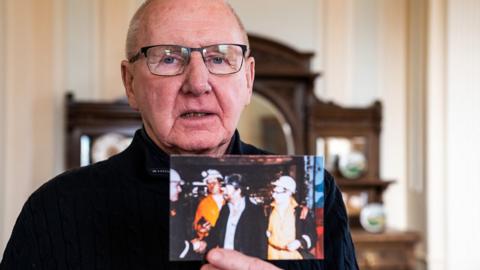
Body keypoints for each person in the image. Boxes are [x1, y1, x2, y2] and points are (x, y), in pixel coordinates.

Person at [0, 0, 358, 269]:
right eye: (169, 58)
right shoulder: (55, 209)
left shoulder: (316, 197)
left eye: (219, 58)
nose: (198, 83)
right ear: (130, 83)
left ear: (247, 80)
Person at [204, 174, 267, 258]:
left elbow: (261, 242)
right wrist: (204, 244)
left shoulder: (255, 211)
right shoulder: (225, 209)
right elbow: (216, 233)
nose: (224, 191)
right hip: (225, 259)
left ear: (238, 190)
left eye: (227, 188)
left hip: (244, 262)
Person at [266, 176, 316, 260]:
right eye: (273, 192)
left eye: (278, 192)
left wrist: (300, 242)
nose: (274, 195)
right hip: (271, 254)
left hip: (292, 256)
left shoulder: (301, 212)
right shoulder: (267, 210)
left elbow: (312, 235)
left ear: (289, 192)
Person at [169, 169, 204, 260]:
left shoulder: (174, 208)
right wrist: (192, 245)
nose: (180, 189)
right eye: (176, 186)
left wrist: (188, 242)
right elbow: (174, 249)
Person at [193, 169, 225, 238]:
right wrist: (201, 229)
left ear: (220, 183)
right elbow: (196, 224)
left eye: (214, 183)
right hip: (210, 240)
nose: (211, 186)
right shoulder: (203, 203)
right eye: (208, 183)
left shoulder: (229, 199)